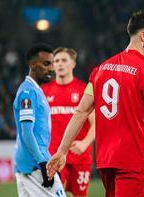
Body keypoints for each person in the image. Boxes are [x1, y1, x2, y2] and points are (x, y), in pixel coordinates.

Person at [47, 11, 144, 197]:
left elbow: (81, 112)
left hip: (105, 161)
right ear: (143, 35)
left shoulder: (100, 69)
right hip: (132, 160)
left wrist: (62, 151)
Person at [12, 43, 65, 197]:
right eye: (46, 63)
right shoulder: (28, 92)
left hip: (26, 165)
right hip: (35, 165)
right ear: (33, 65)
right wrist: (43, 164)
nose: (51, 68)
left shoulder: (34, 90)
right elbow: (27, 133)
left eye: (52, 63)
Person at [42, 47, 95, 197]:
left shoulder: (83, 90)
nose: (59, 64)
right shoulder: (45, 91)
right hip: (55, 155)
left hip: (81, 156)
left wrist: (85, 143)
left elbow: (96, 123)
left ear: (73, 64)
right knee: (55, 194)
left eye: (64, 60)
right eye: (56, 61)